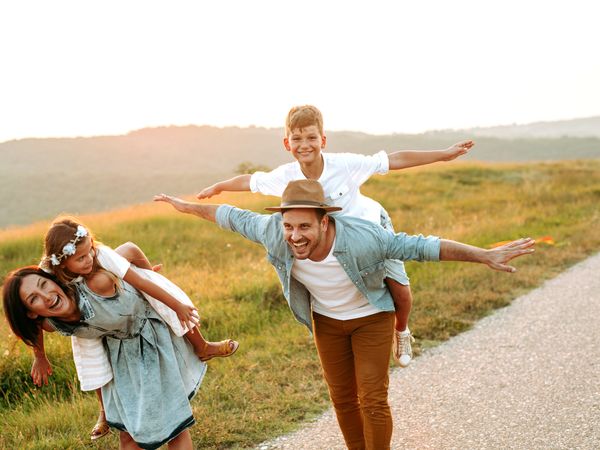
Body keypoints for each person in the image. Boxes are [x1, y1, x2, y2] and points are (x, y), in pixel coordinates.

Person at [154, 179, 535, 450]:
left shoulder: (363, 237)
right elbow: (227, 214)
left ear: (324, 221)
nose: (295, 235)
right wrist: (184, 206)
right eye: (289, 226)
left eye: (304, 226)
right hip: (327, 322)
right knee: (341, 398)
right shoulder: (272, 231)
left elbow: (422, 246)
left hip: (371, 317)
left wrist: (484, 254)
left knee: (371, 396)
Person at [197, 104, 474, 366]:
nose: (304, 145)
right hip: (331, 243)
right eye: (297, 138)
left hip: (371, 229)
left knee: (399, 287)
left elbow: (393, 159)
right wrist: (219, 186)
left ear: (323, 140)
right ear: (287, 144)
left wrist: (443, 154)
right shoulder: (286, 175)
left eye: (311, 137)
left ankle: (401, 331)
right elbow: (249, 180)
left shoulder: (345, 165)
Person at [30, 217, 238, 441]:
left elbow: (140, 278)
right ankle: (104, 413)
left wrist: (155, 280)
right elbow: (33, 318)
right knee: (90, 360)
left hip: (124, 298)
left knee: (162, 297)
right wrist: (39, 356)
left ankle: (202, 346)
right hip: (88, 320)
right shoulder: (48, 271)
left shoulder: (102, 256)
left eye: (89, 250)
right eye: (81, 258)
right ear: (62, 264)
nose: (89, 258)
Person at [3, 265, 206, 449]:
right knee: (127, 433)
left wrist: (142, 274)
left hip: (149, 342)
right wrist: (39, 356)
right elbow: (34, 328)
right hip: (118, 359)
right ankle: (106, 415)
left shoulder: (94, 282)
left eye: (44, 284)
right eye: (34, 299)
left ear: (53, 279)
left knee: (173, 425)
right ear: (31, 313)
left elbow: (128, 249)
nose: (46, 296)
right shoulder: (52, 323)